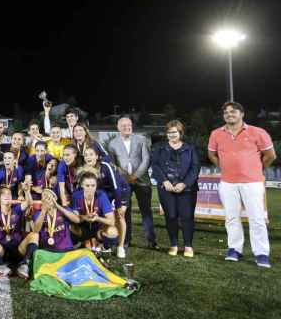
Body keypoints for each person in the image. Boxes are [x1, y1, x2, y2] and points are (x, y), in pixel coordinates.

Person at [208, 102, 276, 268]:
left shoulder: (257, 132)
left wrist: (257, 168)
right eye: (226, 112)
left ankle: (261, 253)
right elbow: (211, 154)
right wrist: (223, 166)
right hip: (227, 183)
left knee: (257, 219)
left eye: (233, 111)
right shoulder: (216, 134)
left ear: (242, 114)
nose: (229, 114)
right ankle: (234, 249)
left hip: (252, 183)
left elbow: (270, 155)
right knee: (231, 218)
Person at [107, 117, 158, 250]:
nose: (127, 127)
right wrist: (125, 177)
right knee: (125, 212)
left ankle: (151, 240)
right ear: (118, 127)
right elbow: (113, 164)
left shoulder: (142, 140)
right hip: (124, 183)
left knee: (146, 211)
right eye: (123, 125)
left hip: (142, 181)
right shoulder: (112, 144)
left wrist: (135, 175)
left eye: (129, 125)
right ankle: (126, 240)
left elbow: (146, 160)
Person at [151, 120, 199, 257]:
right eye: (169, 132)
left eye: (175, 132)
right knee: (170, 216)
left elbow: (195, 168)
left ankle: (188, 246)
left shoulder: (190, 149)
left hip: (187, 190)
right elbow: (155, 166)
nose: (172, 134)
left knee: (187, 217)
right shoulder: (159, 148)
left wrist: (184, 184)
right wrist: (164, 181)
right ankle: (174, 245)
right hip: (166, 189)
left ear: (180, 133)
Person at [82, 147, 130, 258]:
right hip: (106, 195)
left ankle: (121, 247)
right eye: (86, 155)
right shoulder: (86, 170)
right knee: (105, 217)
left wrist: (118, 206)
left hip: (120, 191)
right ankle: (104, 243)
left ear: (97, 156)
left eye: (91, 154)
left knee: (119, 216)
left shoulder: (105, 166)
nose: (88, 157)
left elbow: (116, 186)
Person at [0, 184, 38, 279]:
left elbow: (29, 202)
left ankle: (24, 265)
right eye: (3, 194)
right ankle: (0, 266)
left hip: (18, 250)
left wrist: (26, 191)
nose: (7, 196)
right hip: (2, 251)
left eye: (9, 194)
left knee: (34, 235)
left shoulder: (16, 209)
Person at [70, 171, 118, 251]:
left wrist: (97, 218)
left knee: (113, 231)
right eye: (87, 185)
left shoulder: (101, 195)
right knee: (69, 227)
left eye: (93, 185)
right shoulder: (76, 196)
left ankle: (104, 247)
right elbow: (75, 219)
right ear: (82, 185)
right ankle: (80, 243)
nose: (90, 189)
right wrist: (85, 217)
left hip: (98, 229)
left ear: (96, 186)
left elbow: (112, 221)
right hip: (83, 229)